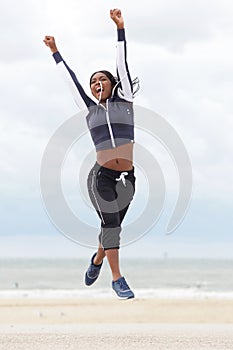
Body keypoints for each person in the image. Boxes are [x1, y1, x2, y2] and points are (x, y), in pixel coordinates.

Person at [44, 9, 138, 299]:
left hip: (128, 176)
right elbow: (69, 80)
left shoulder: (126, 100)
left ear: (113, 83)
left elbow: (121, 65)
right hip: (100, 177)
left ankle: (97, 259)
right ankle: (117, 278)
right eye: (93, 82)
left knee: (113, 226)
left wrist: (120, 30)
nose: (97, 84)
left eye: (102, 80)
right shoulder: (89, 109)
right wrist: (56, 52)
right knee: (111, 223)